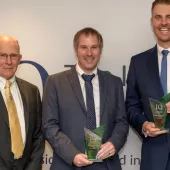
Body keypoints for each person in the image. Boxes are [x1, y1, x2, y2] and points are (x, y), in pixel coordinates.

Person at [42, 27, 129, 170]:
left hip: (106, 164)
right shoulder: (55, 82)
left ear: (100, 50)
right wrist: (73, 155)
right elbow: (49, 126)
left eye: (94, 47)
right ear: (76, 50)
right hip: (68, 163)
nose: (89, 53)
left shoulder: (114, 83)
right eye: (84, 47)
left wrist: (113, 144)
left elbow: (122, 122)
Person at [125, 0, 170, 170]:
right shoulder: (138, 63)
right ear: (152, 22)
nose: (164, 22)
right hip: (154, 157)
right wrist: (143, 125)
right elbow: (131, 106)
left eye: (169, 17)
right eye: (158, 17)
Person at [0, 35, 44, 170]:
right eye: (3, 55)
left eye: (13, 56)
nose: (8, 61)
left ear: (19, 59)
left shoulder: (32, 91)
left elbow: (38, 136)